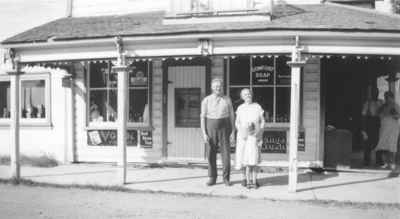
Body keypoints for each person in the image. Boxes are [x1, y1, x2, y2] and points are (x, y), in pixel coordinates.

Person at [200, 78, 235, 186]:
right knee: (211, 153)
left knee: (226, 153)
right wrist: (204, 133)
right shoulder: (206, 100)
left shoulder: (227, 99)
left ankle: (226, 178)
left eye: (219, 86)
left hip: (225, 126)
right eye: (216, 87)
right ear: (212, 88)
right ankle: (212, 177)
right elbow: (202, 117)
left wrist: (233, 131)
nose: (218, 88)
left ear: (222, 87)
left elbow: (232, 116)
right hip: (210, 126)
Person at [235, 88, 265, 189]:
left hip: (254, 136)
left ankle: (254, 180)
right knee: (243, 157)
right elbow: (237, 122)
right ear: (242, 97)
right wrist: (241, 131)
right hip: (243, 136)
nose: (247, 96)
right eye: (245, 94)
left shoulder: (257, 106)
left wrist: (259, 131)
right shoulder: (240, 108)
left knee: (254, 158)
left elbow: (262, 121)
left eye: (249, 94)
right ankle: (244, 179)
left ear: (252, 95)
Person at [375, 91, 400, 170]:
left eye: (388, 97)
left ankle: (391, 163)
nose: (387, 99)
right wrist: (381, 110)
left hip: (392, 127)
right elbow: (377, 114)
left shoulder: (395, 105)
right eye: (386, 97)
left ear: (391, 97)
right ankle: (386, 162)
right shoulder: (383, 106)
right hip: (384, 126)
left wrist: (393, 114)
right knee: (384, 144)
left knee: (392, 144)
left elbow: (398, 116)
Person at [361, 87, 383, 166]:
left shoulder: (381, 102)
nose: (375, 94)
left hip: (378, 122)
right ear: (372, 93)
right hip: (370, 122)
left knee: (378, 142)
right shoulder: (368, 103)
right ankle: (366, 160)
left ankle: (379, 160)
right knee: (368, 143)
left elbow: (384, 112)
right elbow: (363, 115)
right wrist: (363, 129)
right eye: (374, 92)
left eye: (376, 92)